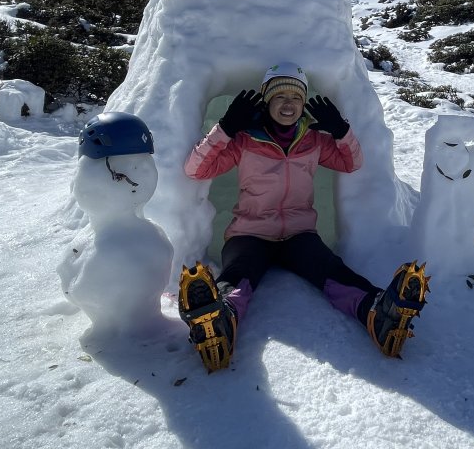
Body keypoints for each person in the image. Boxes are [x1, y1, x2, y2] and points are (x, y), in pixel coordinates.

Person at [180, 61, 429, 372]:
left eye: (296, 97)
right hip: (250, 233)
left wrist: (341, 131)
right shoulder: (244, 141)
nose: (289, 104)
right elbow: (195, 169)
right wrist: (226, 128)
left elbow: (351, 163)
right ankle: (219, 320)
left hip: (299, 235)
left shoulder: (313, 140)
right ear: (266, 100)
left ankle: (379, 313)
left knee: (332, 271)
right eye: (280, 96)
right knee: (239, 276)